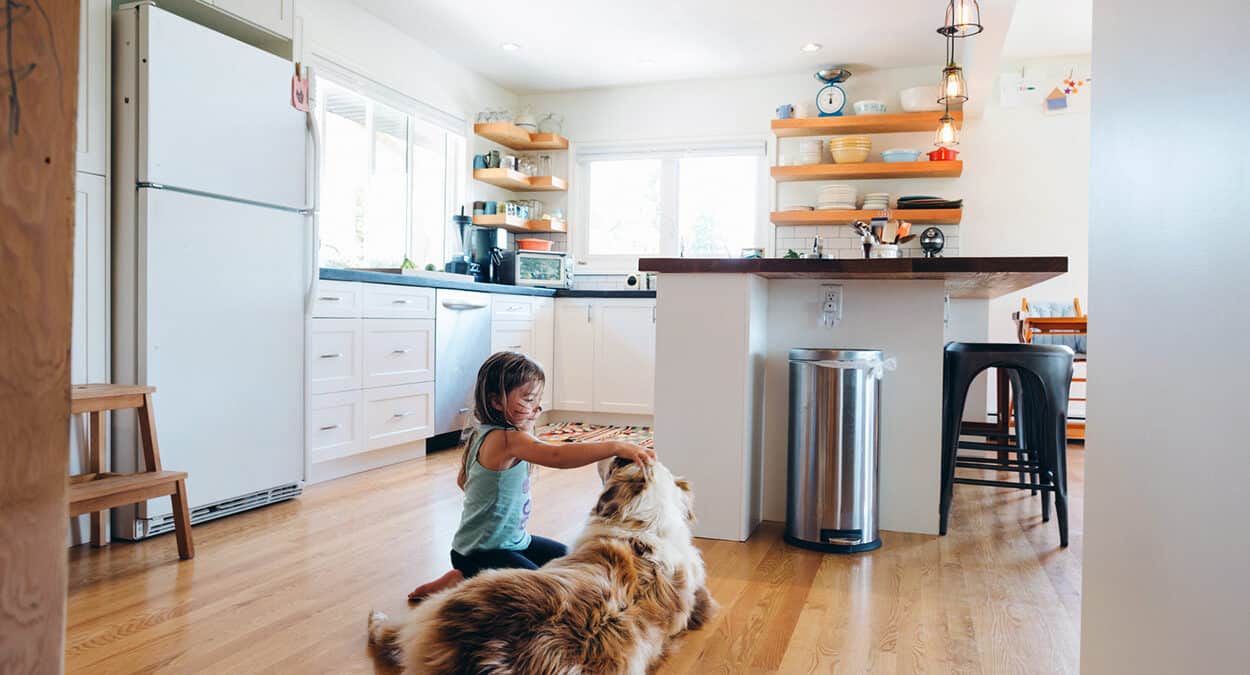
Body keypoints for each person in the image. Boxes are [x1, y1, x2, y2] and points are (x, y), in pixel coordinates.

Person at [407, 351, 656, 601]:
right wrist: (613, 446)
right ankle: (469, 578)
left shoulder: (483, 434)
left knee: (574, 559)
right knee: (549, 591)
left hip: (512, 542)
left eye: (538, 399)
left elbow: (464, 481)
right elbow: (559, 456)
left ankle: (463, 577)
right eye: (528, 399)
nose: (537, 407)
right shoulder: (507, 440)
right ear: (496, 402)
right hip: (482, 551)